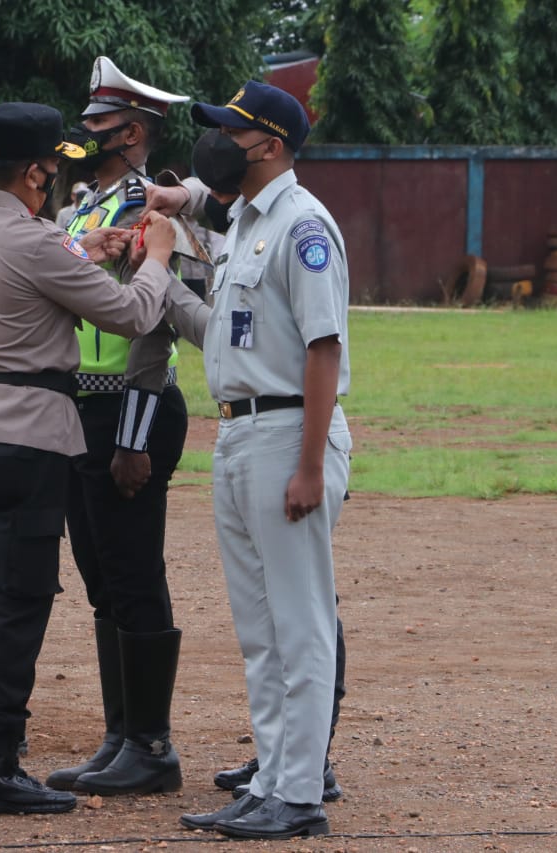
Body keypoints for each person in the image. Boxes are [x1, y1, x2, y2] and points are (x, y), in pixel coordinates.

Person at [0, 101, 175, 816]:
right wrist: (155, 259)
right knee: (17, 601)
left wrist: (87, 246)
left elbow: (31, 261)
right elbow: (131, 315)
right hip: (29, 431)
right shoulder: (38, 241)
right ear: (37, 170)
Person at [152, 81, 353, 840]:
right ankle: (270, 779)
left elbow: (322, 347)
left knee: (299, 625)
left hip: (287, 434)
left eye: (233, 132)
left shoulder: (304, 225)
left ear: (269, 144)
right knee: (260, 629)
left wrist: (309, 464)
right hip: (239, 434)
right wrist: (176, 205)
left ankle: (299, 792)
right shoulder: (246, 222)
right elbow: (210, 207)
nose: (218, 143)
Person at [44, 55, 191, 799]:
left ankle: (152, 743)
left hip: (130, 410)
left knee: (134, 576)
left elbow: (154, 328)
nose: (85, 135)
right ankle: (120, 733)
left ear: (130, 131)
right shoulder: (87, 208)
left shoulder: (147, 208)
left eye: (98, 125)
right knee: (102, 579)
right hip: (82, 408)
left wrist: (132, 433)